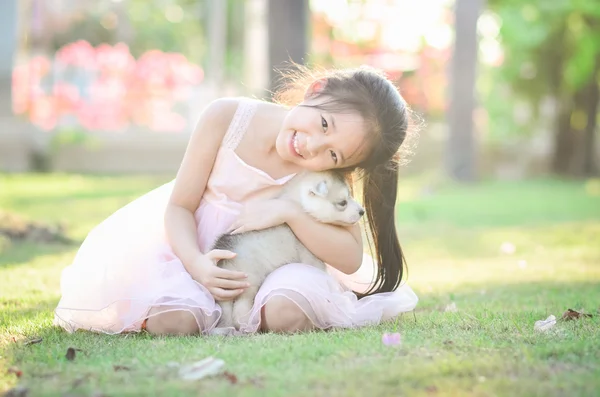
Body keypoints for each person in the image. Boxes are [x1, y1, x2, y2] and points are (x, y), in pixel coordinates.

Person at [54, 65, 419, 336]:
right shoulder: (228, 117)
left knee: (286, 312)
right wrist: (197, 265)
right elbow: (180, 206)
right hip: (197, 254)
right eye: (323, 125)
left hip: (277, 268)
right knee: (173, 321)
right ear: (316, 90)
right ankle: (205, 305)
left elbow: (350, 256)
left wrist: (290, 212)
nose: (311, 147)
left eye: (334, 155)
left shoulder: (328, 174)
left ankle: (253, 312)